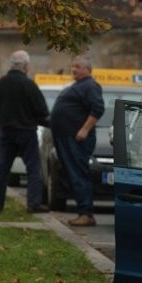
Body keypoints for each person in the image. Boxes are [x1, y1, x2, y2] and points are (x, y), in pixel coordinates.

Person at [0, 50, 50, 213]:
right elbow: (42, 111)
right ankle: (33, 203)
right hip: (27, 132)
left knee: (3, 169)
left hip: (7, 132)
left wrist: (1, 123)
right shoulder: (29, 85)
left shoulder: (0, 83)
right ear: (25, 66)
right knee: (33, 168)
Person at [49, 55, 104, 226]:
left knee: (79, 173)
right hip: (65, 137)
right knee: (72, 174)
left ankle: (86, 213)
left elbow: (98, 108)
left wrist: (85, 129)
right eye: (72, 66)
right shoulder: (77, 86)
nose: (74, 69)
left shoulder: (90, 86)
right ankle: (83, 211)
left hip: (77, 138)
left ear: (88, 69)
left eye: (78, 66)